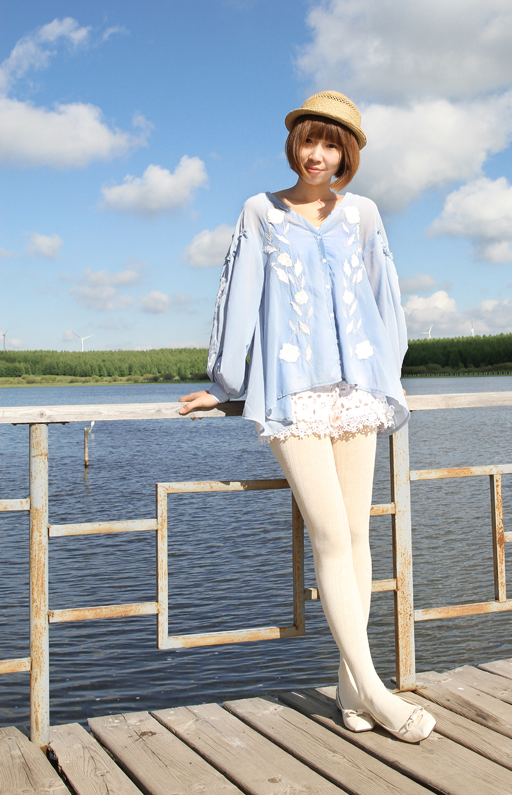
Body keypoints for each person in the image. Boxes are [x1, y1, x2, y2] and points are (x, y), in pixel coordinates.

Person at [179, 91, 435, 743]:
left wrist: (386, 376)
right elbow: (239, 299)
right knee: (329, 536)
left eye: (330, 145)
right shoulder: (260, 212)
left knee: (357, 537)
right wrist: (230, 386)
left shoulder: (363, 215)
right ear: (293, 144)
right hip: (291, 394)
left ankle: (350, 690)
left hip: (357, 391)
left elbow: (385, 301)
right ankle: (376, 690)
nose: (316, 154)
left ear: (346, 155)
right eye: (308, 140)